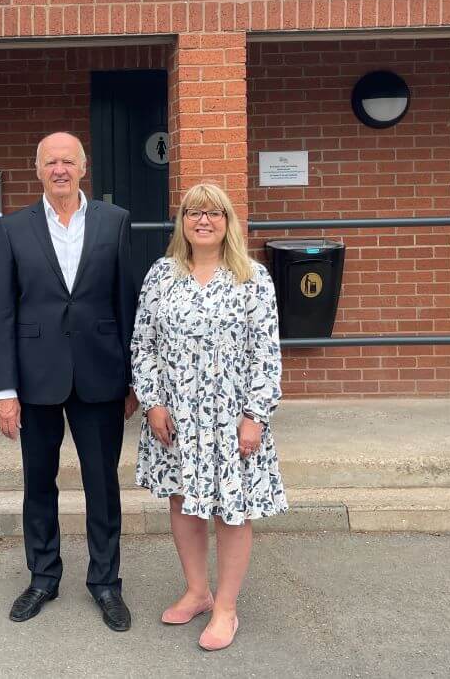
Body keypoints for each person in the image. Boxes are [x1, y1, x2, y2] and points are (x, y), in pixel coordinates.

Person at [0, 132, 139, 632]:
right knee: (38, 484)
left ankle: (106, 583)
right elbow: (4, 312)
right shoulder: (12, 228)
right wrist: (5, 390)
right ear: (37, 170)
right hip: (36, 378)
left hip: (101, 373)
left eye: (67, 161)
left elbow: (127, 303)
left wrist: (133, 379)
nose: (59, 169)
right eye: (50, 161)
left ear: (83, 167)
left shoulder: (114, 222)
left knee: (102, 484)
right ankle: (43, 577)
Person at [131, 182, 288, 652]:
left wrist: (255, 415)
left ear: (228, 222)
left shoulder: (252, 278)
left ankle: (226, 607)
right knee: (182, 499)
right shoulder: (161, 275)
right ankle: (198, 591)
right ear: (182, 222)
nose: (204, 221)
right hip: (177, 416)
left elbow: (266, 353)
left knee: (231, 509)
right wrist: (152, 401)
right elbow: (144, 344)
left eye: (214, 213)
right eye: (194, 213)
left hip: (231, 417)